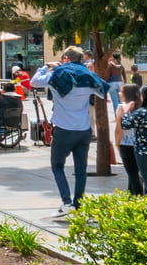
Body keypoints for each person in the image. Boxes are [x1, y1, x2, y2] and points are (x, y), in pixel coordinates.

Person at [30, 47, 109, 218]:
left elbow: (34, 82)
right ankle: (78, 203)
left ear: (66, 58)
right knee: (81, 169)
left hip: (64, 129)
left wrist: (45, 66)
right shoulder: (87, 76)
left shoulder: (57, 74)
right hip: (84, 130)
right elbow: (103, 92)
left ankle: (66, 203)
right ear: (81, 60)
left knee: (57, 165)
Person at [114, 84, 143, 196]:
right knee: (135, 172)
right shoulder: (141, 106)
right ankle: (131, 195)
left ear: (127, 94)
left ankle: (138, 196)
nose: (119, 93)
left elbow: (118, 129)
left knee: (132, 173)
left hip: (126, 144)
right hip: (140, 143)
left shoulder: (122, 107)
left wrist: (117, 144)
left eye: (121, 91)